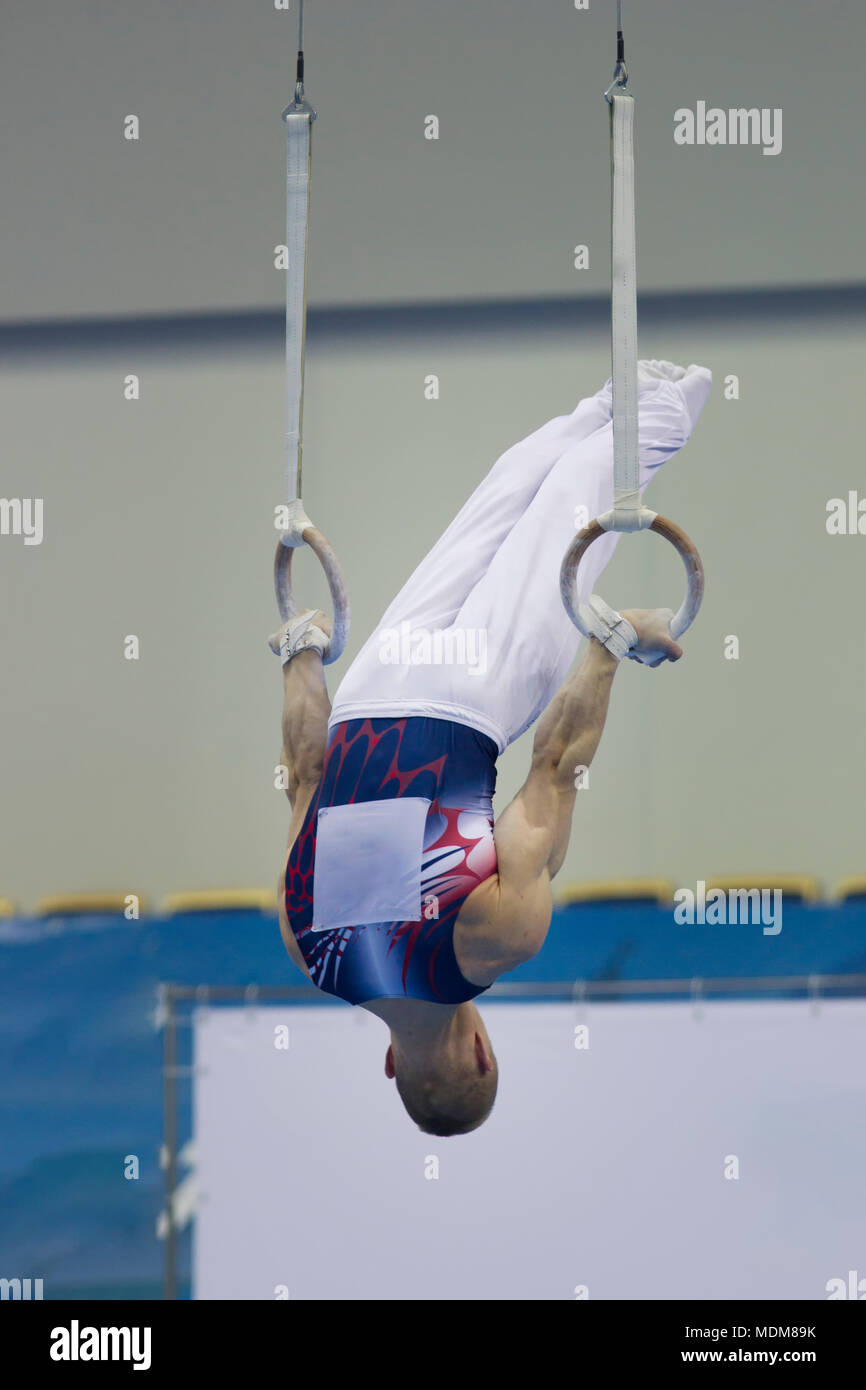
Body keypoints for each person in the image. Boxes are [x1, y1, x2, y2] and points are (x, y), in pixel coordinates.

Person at [271, 360, 711, 1135]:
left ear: (480, 1055)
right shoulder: (310, 950)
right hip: (371, 687)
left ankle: (670, 401)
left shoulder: (485, 943)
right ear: (389, 1065)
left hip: (475, 696)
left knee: (581, 502)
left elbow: (556, 766)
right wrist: (300, 656)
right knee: (507, 489)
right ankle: (614, 400)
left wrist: (608, 645)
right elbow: (307, 773)